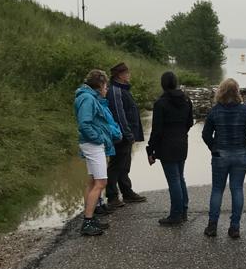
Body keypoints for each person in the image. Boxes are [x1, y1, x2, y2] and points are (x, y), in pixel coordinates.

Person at [202, 78, 246, 239]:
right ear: (237, 92)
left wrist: (213, 147)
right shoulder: (245, 110)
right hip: (241, 154)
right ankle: (234, 227)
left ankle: (212, 226)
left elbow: (205, 134)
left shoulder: (215, 111)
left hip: (220, 154)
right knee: (237, 189)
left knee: (217, 189)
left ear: (220, 91)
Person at [74, 69, 122, 237]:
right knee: (101, 183)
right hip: (93, 145)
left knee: (92, 181)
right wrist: (99, 139)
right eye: (106, 85)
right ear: (100, 85)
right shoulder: (87, 99)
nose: (106, 89)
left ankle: (91, 216)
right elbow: (84, 124)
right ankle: (87, 222)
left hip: (90, 144)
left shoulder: (87, 97)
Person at [146, 71, 194, 226]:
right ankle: (184, 211)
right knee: (180, 177)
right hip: (182, 143)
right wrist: (181, 133)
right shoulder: (187, 100)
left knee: (174, 180)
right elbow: (190, 122)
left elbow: (157, 130)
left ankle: (175, 215)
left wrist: (150, 150)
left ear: (163, 84)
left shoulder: (161, 103)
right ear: (176, 83)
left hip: (167, 145)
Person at [105, 62, 147, 209]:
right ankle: (112, 196)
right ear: (120, 75)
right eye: (127, 73)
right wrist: (128, 134)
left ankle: (127, 192)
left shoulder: (122, 89)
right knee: (116, 165)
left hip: (126, 135)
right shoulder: (115, 91)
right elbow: (119, 115)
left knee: (124, 164)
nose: (129, 75)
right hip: (121, 136)